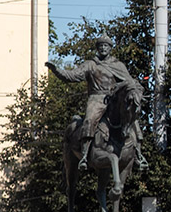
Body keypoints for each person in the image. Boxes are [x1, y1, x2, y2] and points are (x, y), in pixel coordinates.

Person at [46, 35, 147, 170]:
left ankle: (138, 156)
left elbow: (129, 82)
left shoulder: (118, 65)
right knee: (89, 119)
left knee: (132, 119)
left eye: (106, 46)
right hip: (97, 98)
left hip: (113, 99)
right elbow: (73, 75)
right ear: (97, 48)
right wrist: (57, 70)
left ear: (110, 48)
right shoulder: (91, 65)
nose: (103, 48)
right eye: (101, 46)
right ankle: (84, 155)